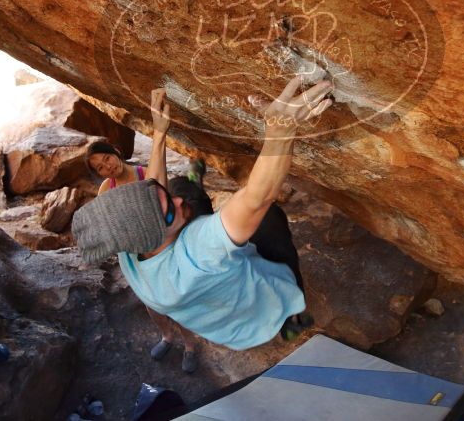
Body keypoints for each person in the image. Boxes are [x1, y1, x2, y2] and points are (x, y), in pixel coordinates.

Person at [74, 75, 333, 350]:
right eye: (169, 212)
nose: (175, 202)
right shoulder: (200, 252)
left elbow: (155, 195)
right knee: (269, 219)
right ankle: (291, 312)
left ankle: (193, 187)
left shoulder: (129, 246)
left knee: (182, 190)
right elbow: (257, 197)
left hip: (223, 321)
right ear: (155, 236)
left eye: (163, 199)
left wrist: (159, 131)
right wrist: (280, 131)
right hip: (260, 303)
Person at [84, 97, 212, 372]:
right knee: (151, 303)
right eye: (101, 168)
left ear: (116, 151)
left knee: (174, 301)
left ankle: (189, 345)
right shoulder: (106, 190)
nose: (108, 167)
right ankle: (166, 336)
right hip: (134, 256)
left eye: (107, 158)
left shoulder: (146, 173)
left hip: (163, 249)